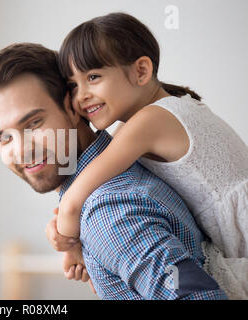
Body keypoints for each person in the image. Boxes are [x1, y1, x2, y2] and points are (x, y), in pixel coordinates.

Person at [0, 42, 227, 299]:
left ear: (71, 107)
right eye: (4, 138)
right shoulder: (122, 171)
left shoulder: (109, 211)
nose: (23, 149)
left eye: (34, 123)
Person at [54, 12, 248, 299]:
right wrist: (61, 228)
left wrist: (71, 248)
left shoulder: (149, 122)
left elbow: (73, 203)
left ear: (141, 71)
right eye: (73, 85)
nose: (81, 96)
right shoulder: (161, 111)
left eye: (93, 77)